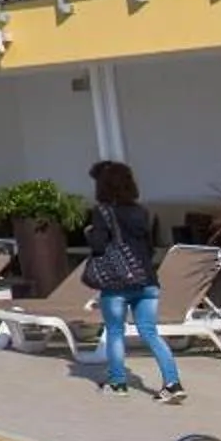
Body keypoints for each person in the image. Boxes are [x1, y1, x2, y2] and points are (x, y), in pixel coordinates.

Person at [84, 159, 185, 404]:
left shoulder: (103, 212)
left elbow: (98, 246)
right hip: (147, 281)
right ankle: (172, 383)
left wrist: (90, 232)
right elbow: (148, 249)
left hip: (117, 285)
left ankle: (118, 382)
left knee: (115, 332)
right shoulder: (142, 212)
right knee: (150, 332)